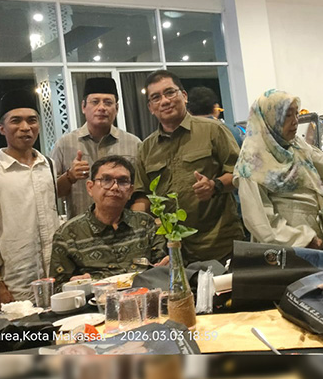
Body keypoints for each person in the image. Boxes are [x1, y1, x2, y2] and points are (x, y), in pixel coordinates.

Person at [133, 70, 245, 264]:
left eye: (170, 92)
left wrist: (215, 186)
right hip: (173, 250)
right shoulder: (146, 148)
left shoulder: (213, 130)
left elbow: (239, 174)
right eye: (156, 97)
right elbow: (142, 196)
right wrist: (136, 228)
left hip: (219, 244)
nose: (165, 101)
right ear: (151, 107)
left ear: (184, 96)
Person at [0, 89, 60, 307]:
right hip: (14, 284)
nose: (25, 127)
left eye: (32, 120)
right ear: (2, 128)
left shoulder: (48, 165)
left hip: (55, 278)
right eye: (16, 121)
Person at [233, 89, 323, 248]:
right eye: (287, 115)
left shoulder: (296, 145)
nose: (295, 121)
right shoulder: (251, 164)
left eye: (296, 114)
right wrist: (303, 240)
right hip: (287, 248)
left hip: (316, 239)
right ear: (270, 118)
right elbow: (261, 223)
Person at [50, 156, 166, 285]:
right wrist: (76, 285)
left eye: (123, 181)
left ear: (130, 191)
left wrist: (166, 266)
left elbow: (161, 268)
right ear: (90, 188)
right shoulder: (67, 235)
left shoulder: (145, 224)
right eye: (106, 180)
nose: (115, 187)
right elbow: (57, 287)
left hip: (143, 293)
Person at [51, 77, 141, 219]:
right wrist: (70, 176)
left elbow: (141, 191)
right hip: (80, 229)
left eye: (108, 102)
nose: (101, 108)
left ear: (117, 108)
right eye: (95, 102)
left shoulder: (133, 144)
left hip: (123, 228)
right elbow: (52, 193)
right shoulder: (64, 144)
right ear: (83, 107)